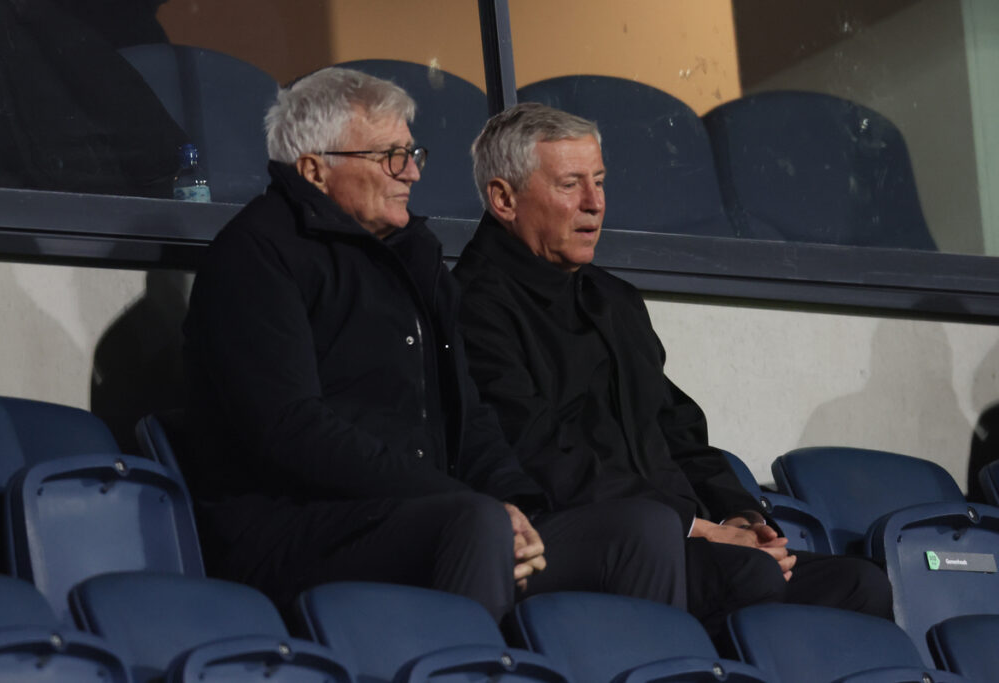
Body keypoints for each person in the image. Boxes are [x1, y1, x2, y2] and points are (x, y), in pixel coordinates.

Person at [181, 69, 686, 621]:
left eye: (412, 152)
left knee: (642, 529)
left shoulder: (416, 259)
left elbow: (470, 418)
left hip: (435, 515)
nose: (414, 172)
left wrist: (520, 508)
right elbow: (292, 429)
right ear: (314, 169)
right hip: (296, 533)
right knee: (473, 524)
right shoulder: (255, 255)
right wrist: (457, 501)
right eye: (391, 156)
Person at [452, 102, 894, 639]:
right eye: (571, 185)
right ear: (504, 198)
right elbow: (541, 456)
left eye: (600, 182)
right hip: (601, 541)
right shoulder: (473, 305)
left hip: (695, 539)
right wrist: (699, 528)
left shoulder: (614, 300)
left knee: (860, 585)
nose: (595, 204)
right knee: (745, 574)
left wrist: (740, 517)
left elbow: (681, 432)